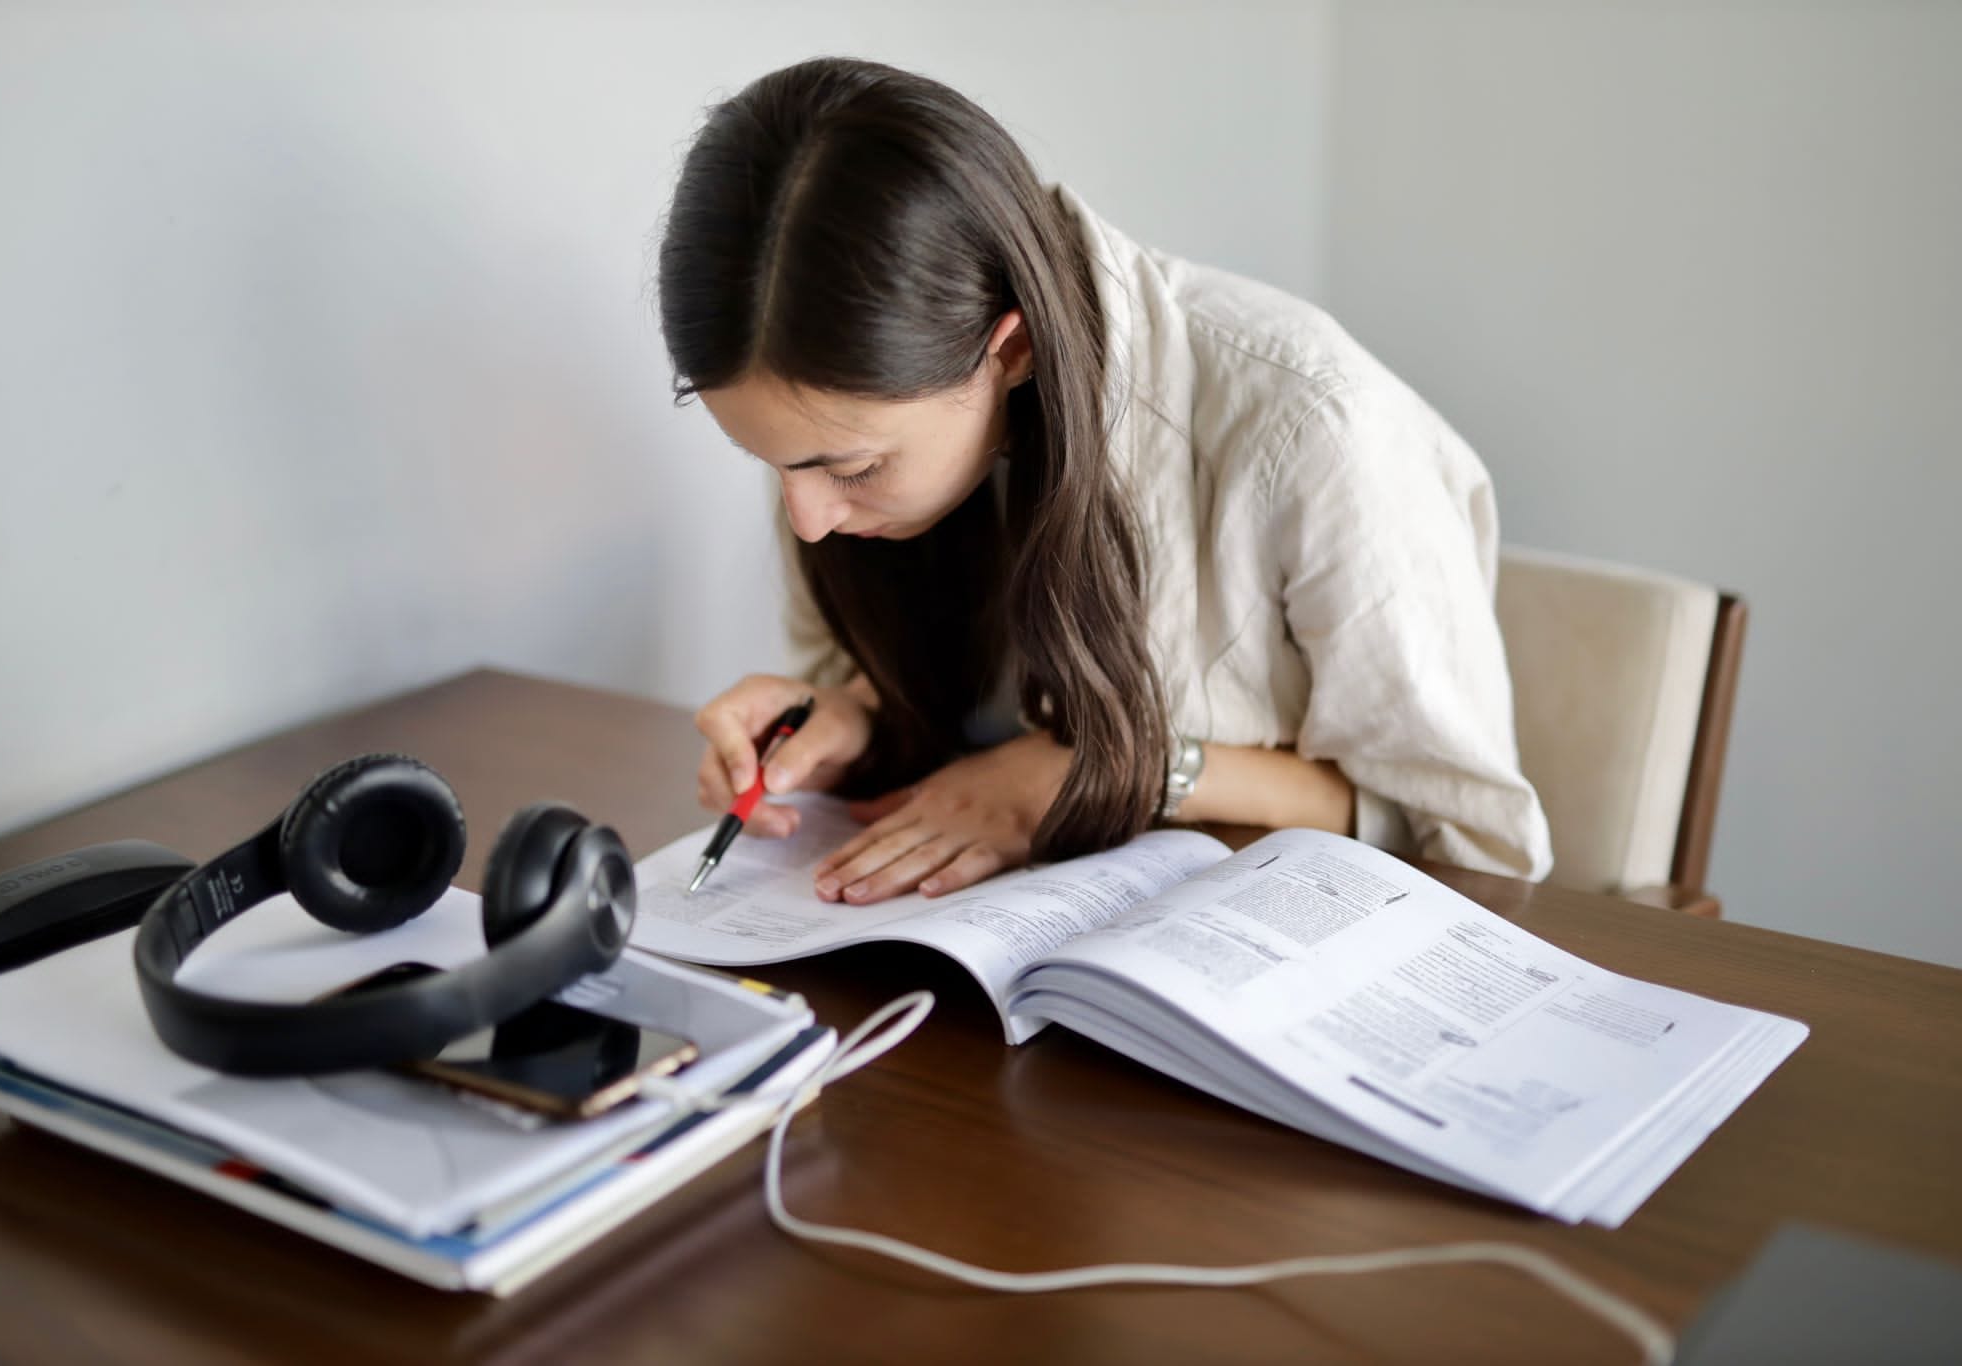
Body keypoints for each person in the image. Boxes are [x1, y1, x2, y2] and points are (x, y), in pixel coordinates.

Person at [657, 56, 1552, 908]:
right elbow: (937, 709)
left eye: (850, 470)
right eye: (774, 466)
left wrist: (1108, 772)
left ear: (1010, 349)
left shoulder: (1311, 426)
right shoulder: (838, 424)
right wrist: (855, 720)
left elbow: (1470, 849)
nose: (807, 521)